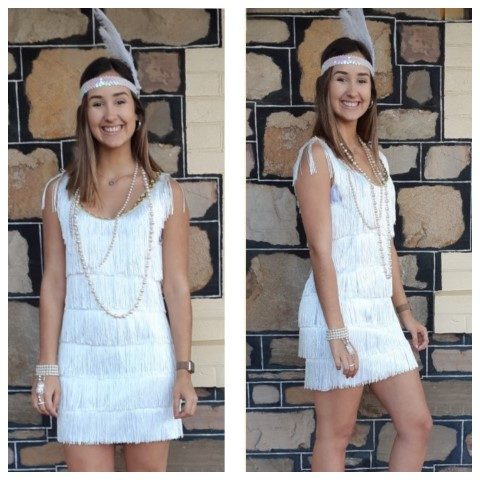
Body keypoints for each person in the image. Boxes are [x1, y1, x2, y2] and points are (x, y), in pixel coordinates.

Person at [31, 9, 197, 472]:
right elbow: (54, 283)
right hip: (80, 362)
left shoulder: (166, 193)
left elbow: (176, 287)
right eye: (98, 104)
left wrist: (183, 371)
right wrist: (47, 367)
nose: (110, 115)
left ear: (137, 114)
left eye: (120, 101)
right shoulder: (57, 193)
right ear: (85, 115)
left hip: (148, 361)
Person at [292, 9, 432, 472]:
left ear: (371, 92)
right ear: (325, 88)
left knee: (417, 425)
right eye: (342, 80)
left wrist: (404, 311)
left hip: (379, 312)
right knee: (337, 434)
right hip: (339, 310)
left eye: (362, 81)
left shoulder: (377, 160)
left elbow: (383, 240)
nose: (352, 90)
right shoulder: (317, 156)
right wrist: (337, 333)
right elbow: (320, 250)